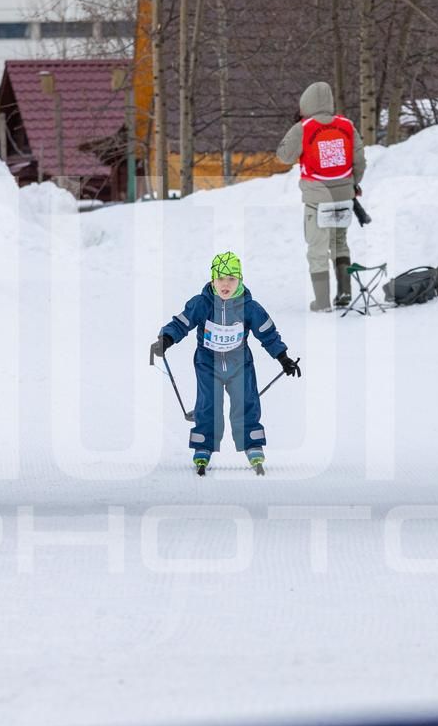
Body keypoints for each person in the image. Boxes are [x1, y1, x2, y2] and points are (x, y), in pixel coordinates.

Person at [149, 252, 299, 475]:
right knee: (208, 405)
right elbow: (181, 323)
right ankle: (203, 447)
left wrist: (283, 357)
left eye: (231, 279)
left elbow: (268, 334)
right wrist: (166, 339)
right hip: (207, 364)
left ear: (240, 280)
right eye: (220, 279)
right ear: (212, 280)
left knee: (246, 403)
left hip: (241, 365)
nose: (225, 284)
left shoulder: (250, 307)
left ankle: (252, 445)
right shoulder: (201, 303)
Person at [274, 81, 367, 311]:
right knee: (339, 243)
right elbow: (360, 161)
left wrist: (294, 132)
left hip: (317, 199)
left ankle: (323, 301)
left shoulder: (304, 127)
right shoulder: (347, 126)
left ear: (306, 103)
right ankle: (344, 292)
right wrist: (353, 183)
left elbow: (284, 156)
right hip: (344, 196)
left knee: (317, 248)